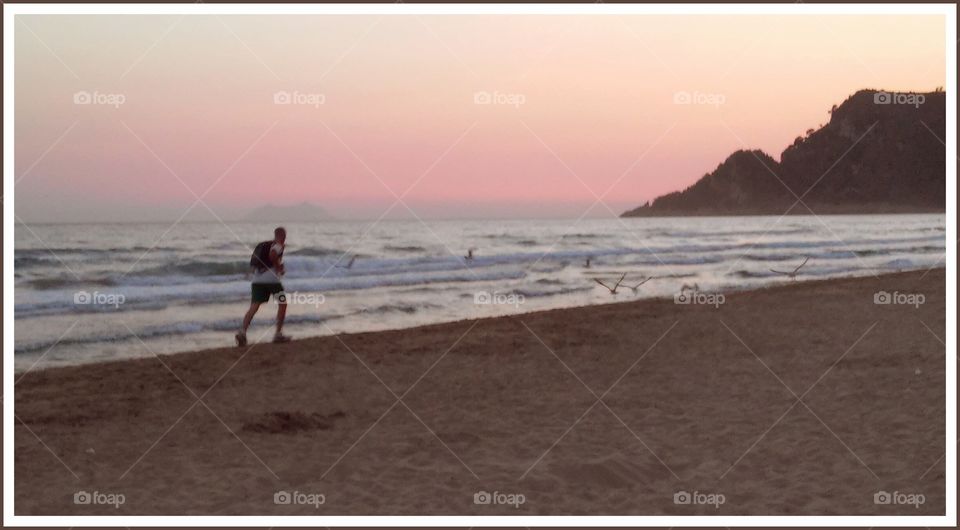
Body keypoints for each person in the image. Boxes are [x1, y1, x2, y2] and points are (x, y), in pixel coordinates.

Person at [236, 227, 291, 346]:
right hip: (272, 281)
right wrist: (278, 268)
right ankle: (278, 334)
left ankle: (242, 332)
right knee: (283, 303)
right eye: (285, 236)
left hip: (257, 280)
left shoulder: (265, 245)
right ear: (283, 236)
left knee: (254, 306)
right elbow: (272, 255)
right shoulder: (277, 245)